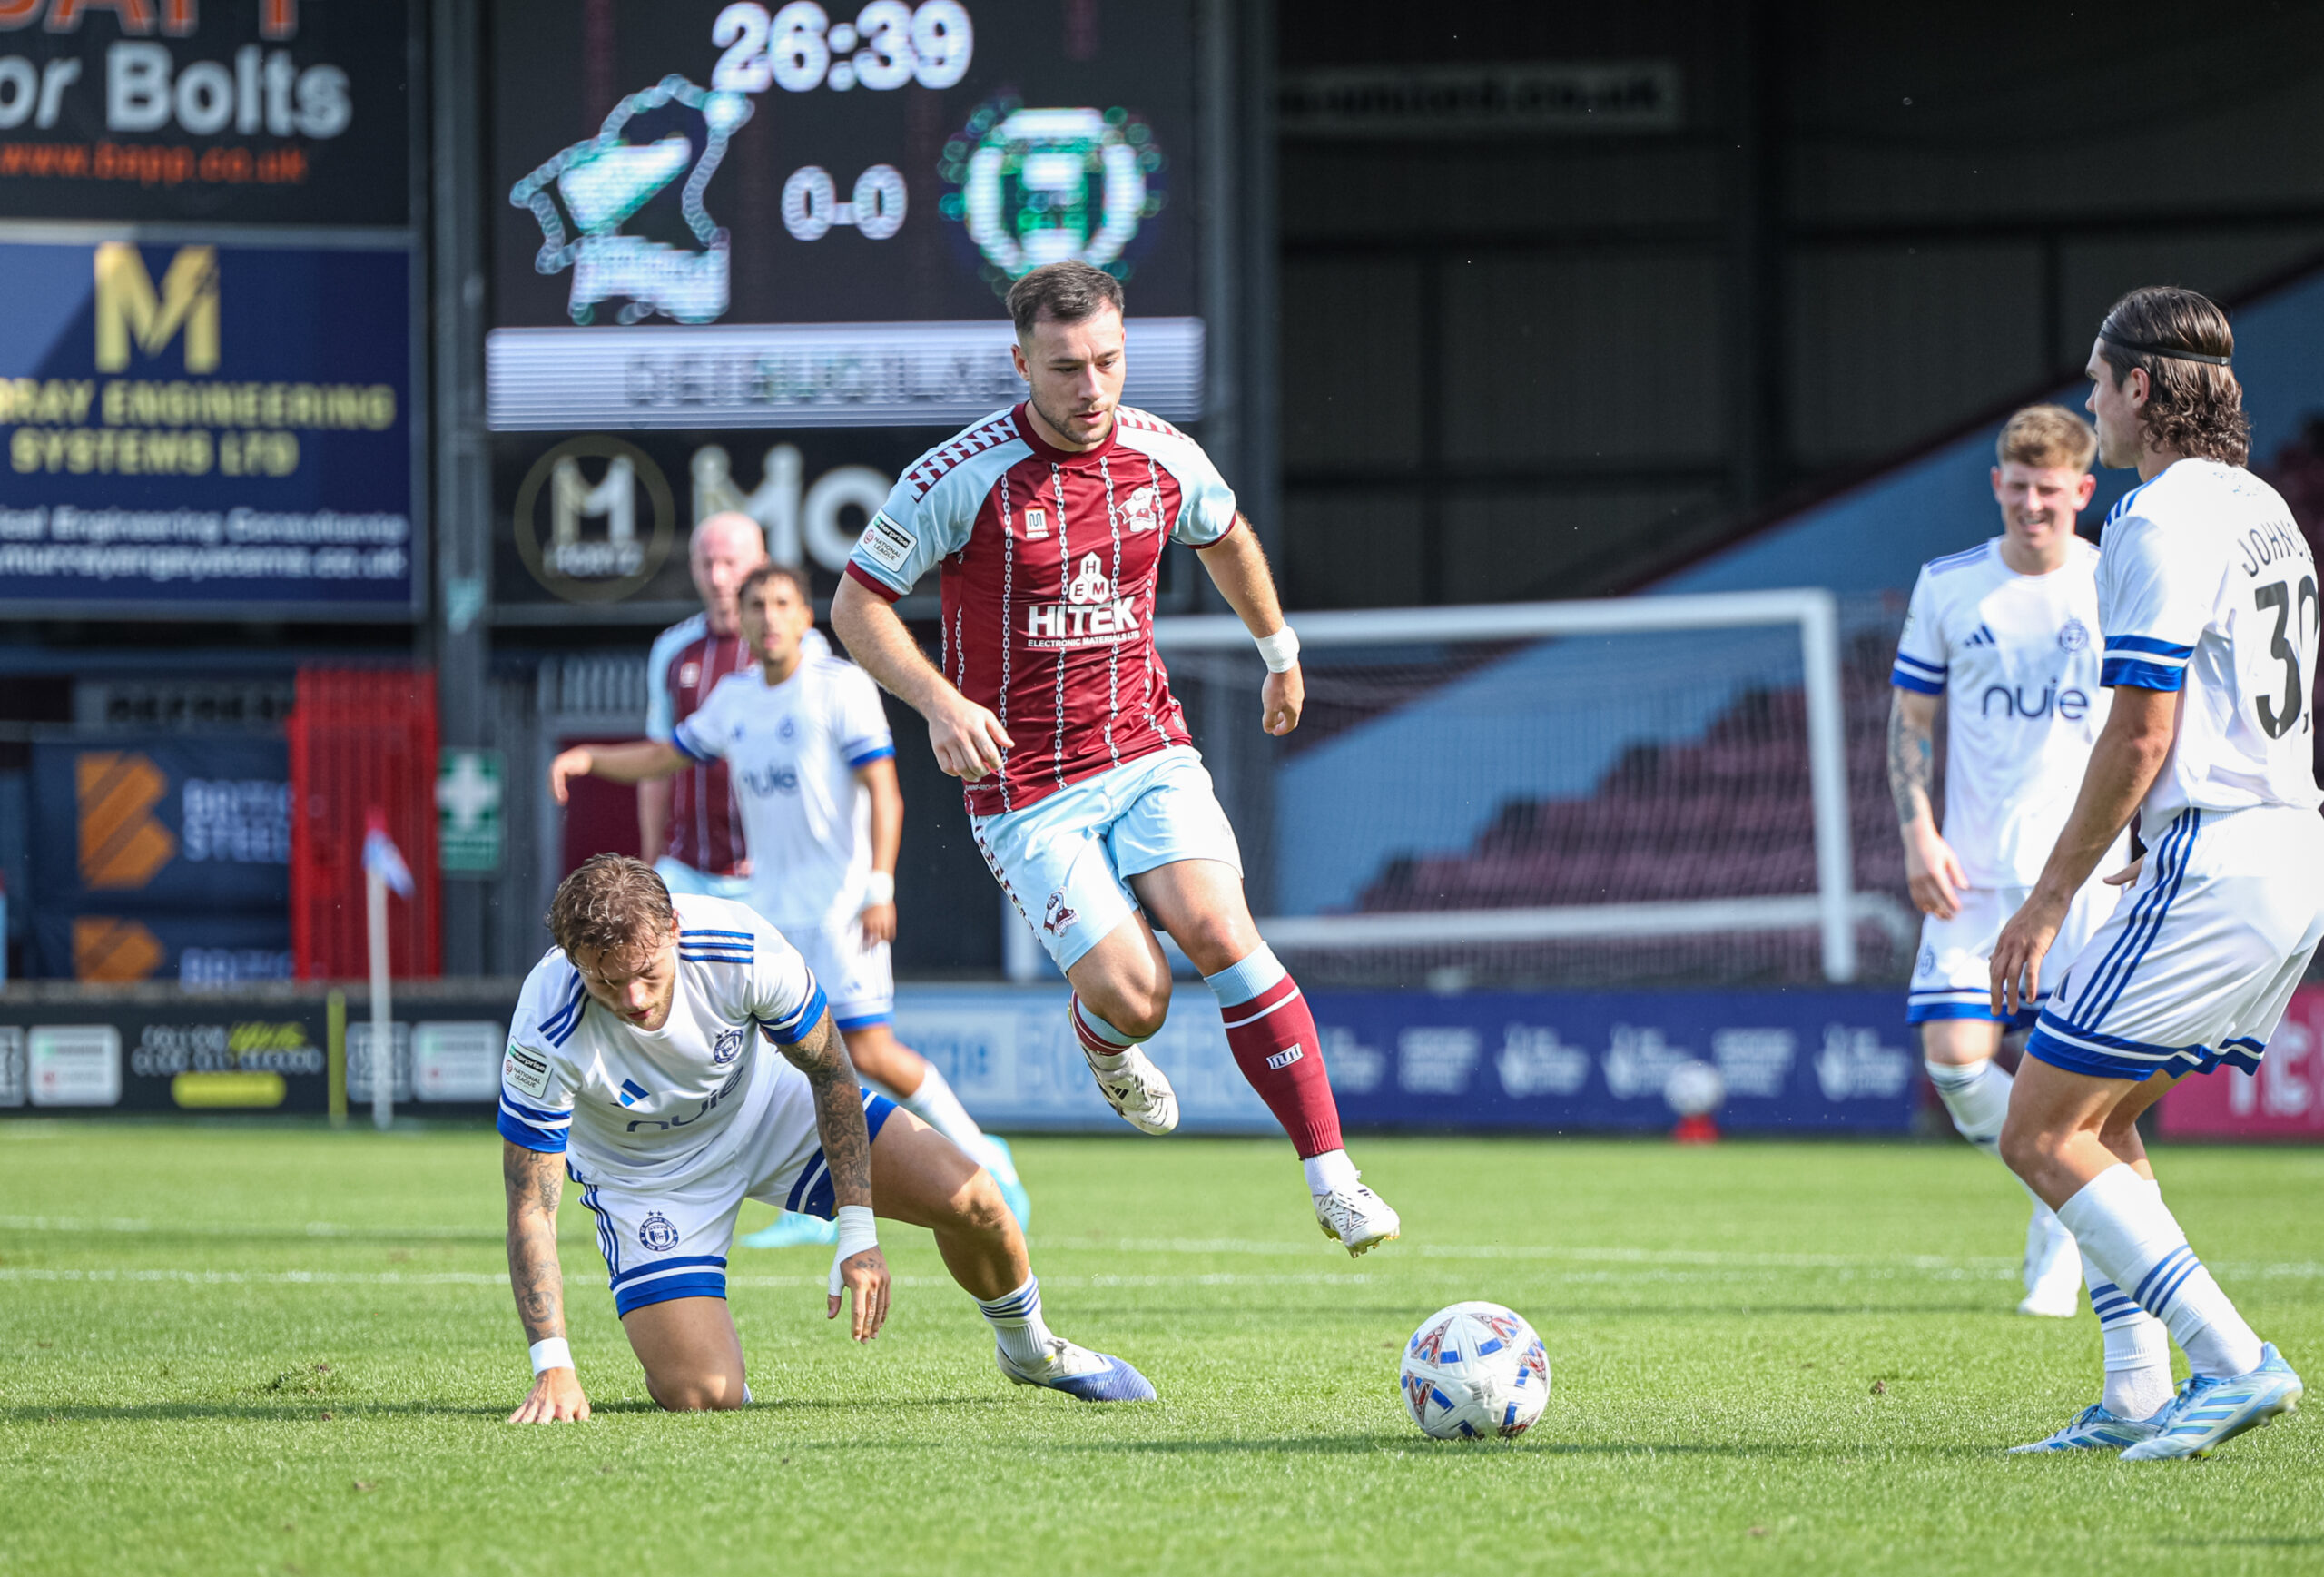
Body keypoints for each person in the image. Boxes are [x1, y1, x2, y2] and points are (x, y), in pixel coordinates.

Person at [827, 259, 1400, 1256]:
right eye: (1065, 368)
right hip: (1025, 788)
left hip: (1145, 748)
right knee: (1140, 998)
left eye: (1107, 361)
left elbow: (1225, 535)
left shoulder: (1162, 455)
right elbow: (855, 603)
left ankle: (1333, 1176)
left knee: (1220, 931)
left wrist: (1279, 652)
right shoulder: (959, 476)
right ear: (1022, 365)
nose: (1091, 388)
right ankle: (1103, 1037)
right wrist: (939, 701)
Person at [1992, 286, 2317, 1458]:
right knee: (2103, 1115)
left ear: (2140, 386)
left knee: (2037, 1130)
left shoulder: (2154, 518)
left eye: (2096, 380)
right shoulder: (2262, 504)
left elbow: (2141, 730)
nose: (2090, 404)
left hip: (2218, 854)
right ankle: (2135, 1388)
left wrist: (2046, 901)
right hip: (2284, 847)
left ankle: (2234, 1361)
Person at [499, 854, 1151, 1423]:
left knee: (973, 1197)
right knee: (702, 1393)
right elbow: (532, 1206)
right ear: (574, 962)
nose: (633, 999)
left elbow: (832, 1071)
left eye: (646, 972)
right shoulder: (544, 1027)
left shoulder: (742, 947)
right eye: (606, 981)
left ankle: (1031, 1349)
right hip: (650, 1179)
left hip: (767, 1110)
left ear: (674, 928)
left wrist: (858, 1232)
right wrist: (553, 1363)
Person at [558, 565, 1031, 1245]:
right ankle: (808, 1206)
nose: (769, 616)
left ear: (806, 616)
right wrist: (590, 759)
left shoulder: (839, 686)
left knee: (870, 1051)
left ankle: (987, 1157)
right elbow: (666, 756)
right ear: (743, 620)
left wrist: (880, 885)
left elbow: (885, 791)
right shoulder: (735, 697)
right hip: (772, 913)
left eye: (782, 602)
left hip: (841, 908)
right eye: (756, 605)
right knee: (786, 1060)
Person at [1887, 405, 2122, 1318]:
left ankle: (2062, 1219)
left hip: (2083, 875)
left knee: (2083, 1086)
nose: (2032, 505)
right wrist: (1918, 831)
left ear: (2082, 490)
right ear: (1996, 484)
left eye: (2049, 490)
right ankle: (2052, 1193)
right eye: (2018, 487)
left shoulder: (2113, 581)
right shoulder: (1947, 586)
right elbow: (1909, 721)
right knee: (1954, 1064)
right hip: (1973, 874)